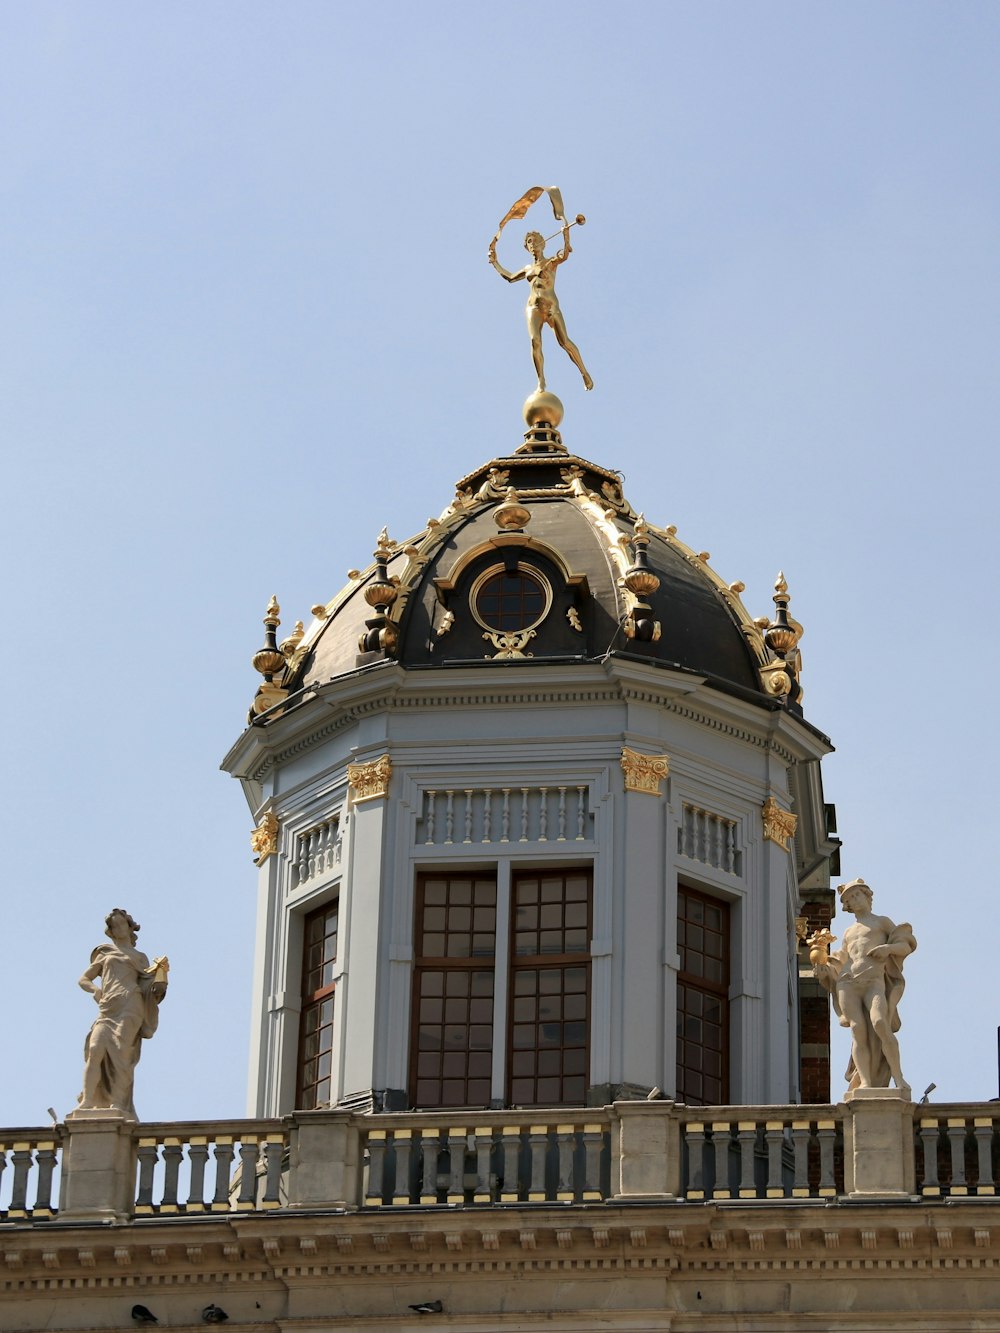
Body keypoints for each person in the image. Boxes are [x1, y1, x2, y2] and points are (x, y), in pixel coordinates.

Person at [812, 878, 916, 1093]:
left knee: (880, 1023)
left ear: (868, 896)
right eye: (849, 899)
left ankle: (899, 1078)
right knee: (858, 1030)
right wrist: (824, 969)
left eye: (857, 895)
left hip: (873, 981)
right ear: (847, 906)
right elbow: (841, 959)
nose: (854, 900)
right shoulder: (849, 932)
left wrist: (888, 948)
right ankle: (866, 1082)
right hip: (848, 982)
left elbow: (905, 945)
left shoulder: (882, 922)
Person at [75, 908, 168, 1118]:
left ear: (129, 927)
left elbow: (149, 987)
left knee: (121, 1054)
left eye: (121, 924)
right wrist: (96, 990)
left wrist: (160, 983)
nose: (117, 928)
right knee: (95, 1049)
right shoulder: (105, 953)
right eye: (113, 926)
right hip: (108, 1007)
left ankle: (118, 1103)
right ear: (110, 931)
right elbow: (84, 979)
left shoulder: (140, 958)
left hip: (130, 1005)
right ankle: (88, 1101)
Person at [489, 225, 593, 392]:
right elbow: (509, 277)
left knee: (564, 342)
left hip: (551, 307)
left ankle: (584, 372)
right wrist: (495, 262)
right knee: (535, 342)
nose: (532, 244)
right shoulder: (528, 269)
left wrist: (566, 236)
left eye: (534, 241)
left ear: (542, 244)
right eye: (529, 242)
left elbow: (565, 255)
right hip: (533, 308)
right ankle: (541, 381)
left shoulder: (551, 262)